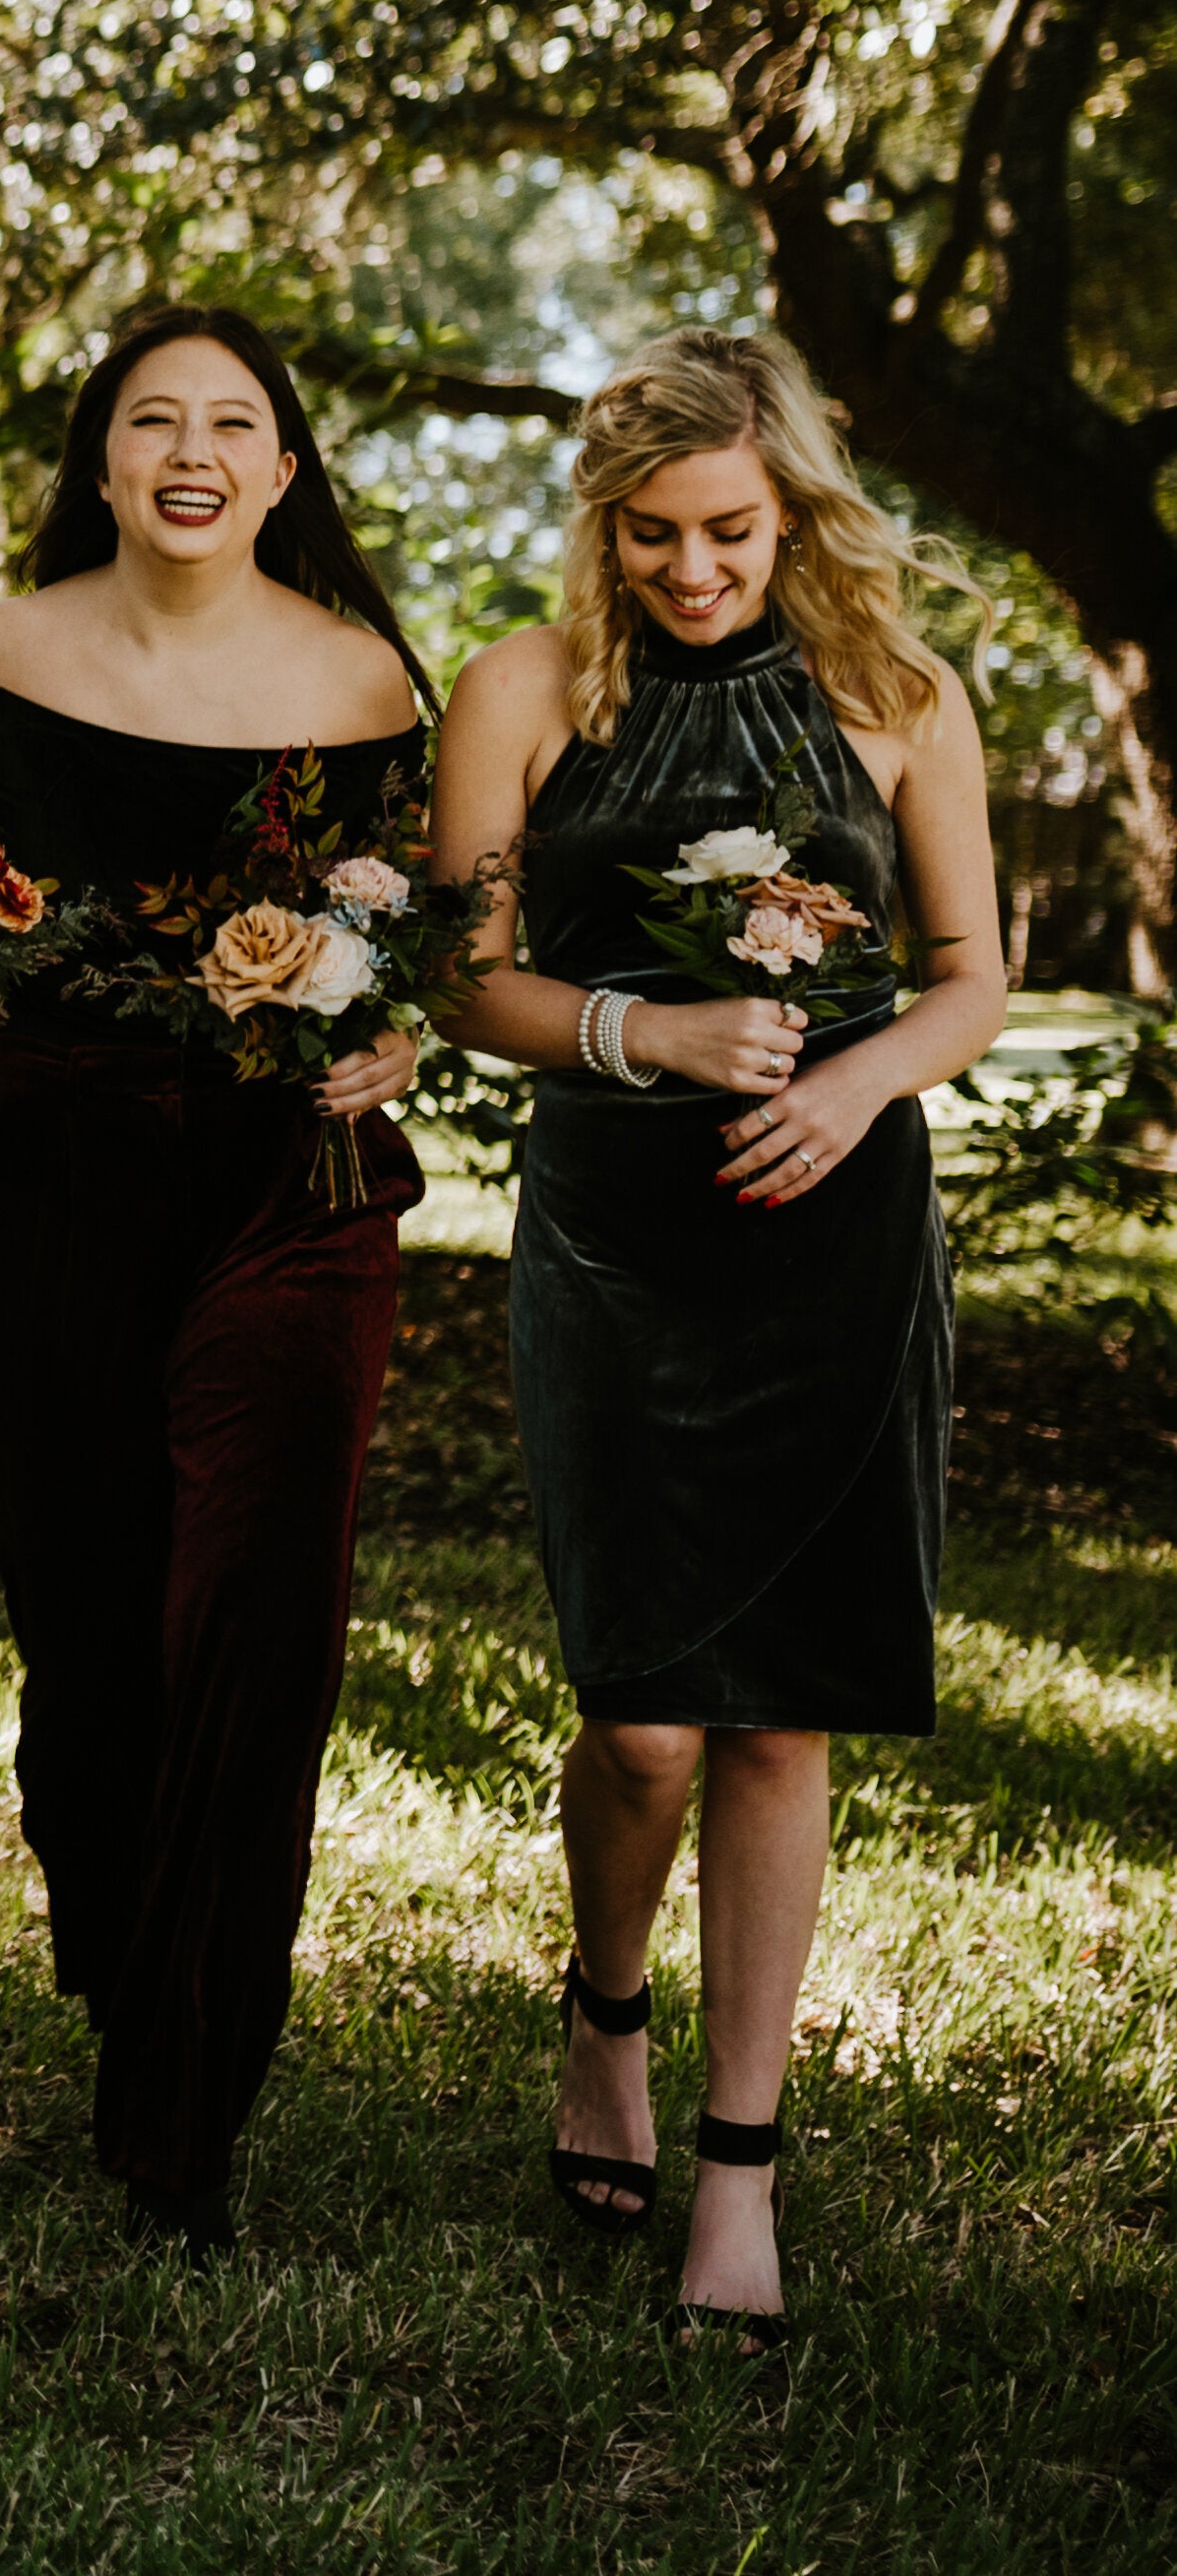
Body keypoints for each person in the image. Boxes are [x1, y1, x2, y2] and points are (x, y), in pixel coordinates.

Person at [427, 328, 1003, 2347]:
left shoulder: (893, 696)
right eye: (653, 533)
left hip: (835, 1239)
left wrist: (854, 1091)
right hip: (613, 1242)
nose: (692, 571)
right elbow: (461, 981)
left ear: (793, 506)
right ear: (603, 520)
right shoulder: (517, 689)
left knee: (779, 1713)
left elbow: (965, 976)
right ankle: (606, 2015)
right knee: (645, 1720)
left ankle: (738, 2174)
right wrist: (641, 1029)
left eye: (731, 531)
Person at [0, 306, 429, 2251]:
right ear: (103, 459)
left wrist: (391, 1029)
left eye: (233, 420)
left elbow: (412, 921)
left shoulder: (362, 676)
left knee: (255, 1616)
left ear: (281, 469)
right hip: (53, 1158)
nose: (192, 445)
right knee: (87, 1621)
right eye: (153, 416)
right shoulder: (5, 646)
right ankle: (116, 1920)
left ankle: (186, 2108)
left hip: (286, 1166)